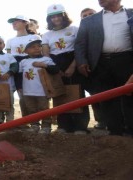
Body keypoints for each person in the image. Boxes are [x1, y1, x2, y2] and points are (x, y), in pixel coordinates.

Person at [75, 0, 133, 136]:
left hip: (128, 61)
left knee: (130, 96)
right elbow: (80, 44)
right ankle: (115, 131)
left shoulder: (131, 14)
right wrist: (81, 61)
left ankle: (131, 131)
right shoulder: (88, 21)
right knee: (107, 98)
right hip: (101, 64)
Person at [42, 4, 90, 134]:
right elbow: (46, 53)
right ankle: (63, 125)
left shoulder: (74, 29)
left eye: (58, 15)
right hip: (55, 64)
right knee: (59, 95)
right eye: (53, 17)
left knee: (78, 93)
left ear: (64, 16)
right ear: (49, 19)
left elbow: (79, 48)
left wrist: (73, 66)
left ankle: (80, 126)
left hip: (74, 61)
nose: (56, 19)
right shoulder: (46, 35)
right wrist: (56, 69)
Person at [19, 39, 59, 133]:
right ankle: (34, 125)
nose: (37, 48)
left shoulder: (46, 59)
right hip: (27, 91)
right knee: (31, 109)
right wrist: (19, 87)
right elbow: (19, 75)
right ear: (26, 51)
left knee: (44, 109)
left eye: (39, 46)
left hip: (42, 91)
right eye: (33, 47)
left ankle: (46, 126)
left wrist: (44, 65)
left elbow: (55, 70)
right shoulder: (23, 62)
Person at [6, 15, 41, 119]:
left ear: (25, 23)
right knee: (21, 94)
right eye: (13, 22)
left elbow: (40, 53)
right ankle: (27, 120)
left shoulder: (35, 37)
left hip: (32, 66)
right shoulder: (10, 40)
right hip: (16, 67)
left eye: (17, 21)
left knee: (37, 93)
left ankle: (41, 119)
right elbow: (9, 58)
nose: (14, 23)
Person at [79, 7, 106, 130]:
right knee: (95, 95)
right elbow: (80, 48)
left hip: (110, 64)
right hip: (91, 68)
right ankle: (101, 121)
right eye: (85, 16)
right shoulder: (81, 31)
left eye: (91, 14)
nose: (88, 17)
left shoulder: (107, 26)